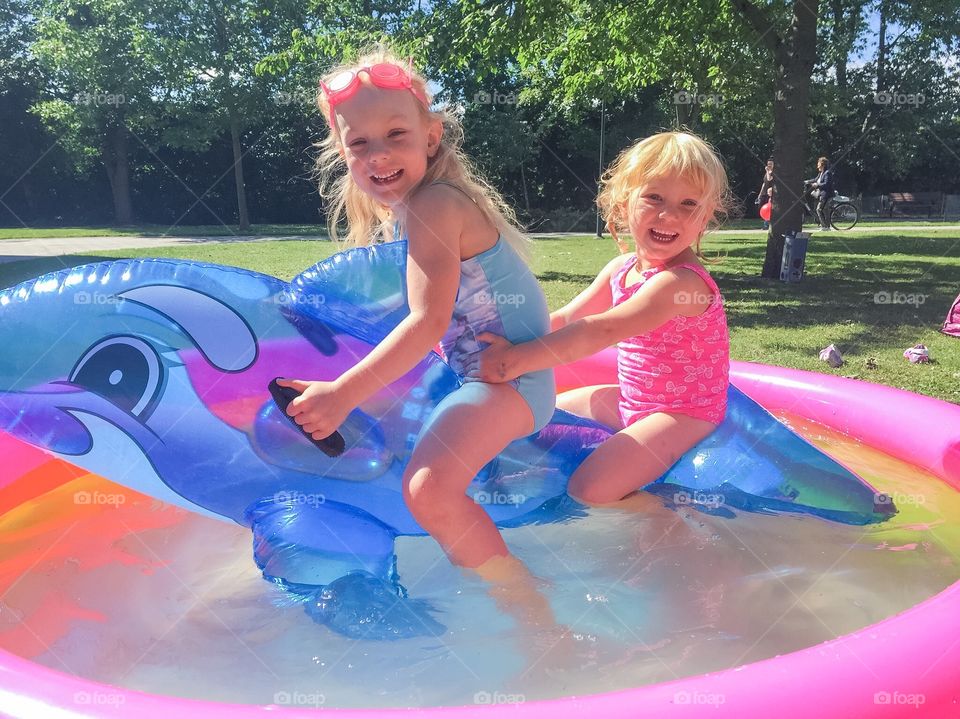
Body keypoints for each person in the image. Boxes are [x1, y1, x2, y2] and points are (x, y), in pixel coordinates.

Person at [276, 49, 556, 584]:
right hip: (490, 378)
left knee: (429, 488)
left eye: (396, 135)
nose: (378, 155)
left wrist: (342, 395)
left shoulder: (435, 205)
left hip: (510, 382)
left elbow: (427, 324)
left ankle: (524, 607)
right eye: (360, 143)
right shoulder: (415, 210)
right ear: (343, 152)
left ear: (431, 135)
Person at [473, 131, 732, 506]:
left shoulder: (679, 283)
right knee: (542, 414)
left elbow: (603, 329)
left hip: (684, 413)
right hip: (632, 400)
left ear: (705, 217)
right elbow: (566, 318)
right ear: (624, 203)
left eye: (689, 204)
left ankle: (668, 525)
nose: (669, 214)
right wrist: (506, 334)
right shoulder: (620, 269)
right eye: (654, 197)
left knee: (589, 490)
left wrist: (515, 360)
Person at [805, 156, 835, 231]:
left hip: (827, 194)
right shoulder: (821, 173)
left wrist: (817, 185)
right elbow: (815, 179)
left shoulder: (827, 173)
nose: (817, 165)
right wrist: (807, 181)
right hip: (822, 194)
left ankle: (824, 227)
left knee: (819, 209)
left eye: (818, 163)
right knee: (825, 210)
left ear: (823, 164)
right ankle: (827, 227)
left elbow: (826, 184)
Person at [756, 157, 775, 229]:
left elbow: (769, 179)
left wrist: (767, 171)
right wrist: (760, 194)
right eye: (768, 164)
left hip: (771, 193)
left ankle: (767, 225)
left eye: (771, 164)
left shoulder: (773, 173)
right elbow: (764, 183)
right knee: (764, 208)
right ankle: (766, 224)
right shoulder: (767, 173)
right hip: (764, 193)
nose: (769, 165)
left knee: (769, 209)